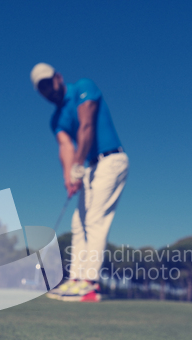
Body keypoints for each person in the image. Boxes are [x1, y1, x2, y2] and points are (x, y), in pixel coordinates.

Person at [30, 63, 129, 302]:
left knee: (94, 219)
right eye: (42, 88)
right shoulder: (56, 119)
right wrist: (69, 178)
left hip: (111, 160)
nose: (48, 90)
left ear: (58, 77)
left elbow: (86, 126)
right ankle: (75, 279)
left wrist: (77, 167)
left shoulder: (83, 87)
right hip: (90, 167)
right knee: (78, 223)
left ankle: (90, 283)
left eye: (49, 82)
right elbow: (65, 147)